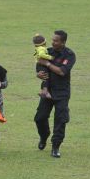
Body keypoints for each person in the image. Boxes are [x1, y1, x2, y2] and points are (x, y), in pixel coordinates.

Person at [34, 30, 76, 158]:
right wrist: (39, 74)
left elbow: (61, 72)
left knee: (60, 120)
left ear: (63, 42)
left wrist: (47, 63)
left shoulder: (69, 55)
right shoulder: (48, 51)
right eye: (52, 40)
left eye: (56, 41)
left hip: (62, 92)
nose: (53, 42)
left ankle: (55, 146)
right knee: (40, 118)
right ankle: (44, 136)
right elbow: (39, 66)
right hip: (47, 90)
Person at [32, 33, 54, 98]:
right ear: (44, 42)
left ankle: (42, 91)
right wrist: (50, 57)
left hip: (38, 65)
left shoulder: (38, 48)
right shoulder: (42, 48)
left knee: (44, 78)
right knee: (46, 77)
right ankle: (45, 91)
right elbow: (41, 54)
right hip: (42, 65)